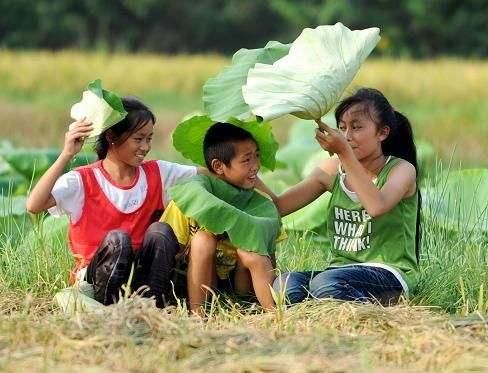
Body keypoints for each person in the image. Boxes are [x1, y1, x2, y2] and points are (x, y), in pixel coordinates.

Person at [26, 96, 200, 308]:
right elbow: (34, 206)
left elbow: (208, 174)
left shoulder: (159, 172)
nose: (145, 147)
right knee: (118, 241)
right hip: (98, 280)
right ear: (111, 136)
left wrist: (244, 172)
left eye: (149, 139)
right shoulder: (82, 180)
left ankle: (152, 306)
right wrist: (66, 154)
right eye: (138, 139)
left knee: (161, 232)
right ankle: (110, 310)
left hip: (140, 280)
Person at [271, 88, 420, 305]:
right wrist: (247, 174)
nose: (348, 136)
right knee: (286, 284)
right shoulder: (333, 169)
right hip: (340, 271)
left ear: (382, 133)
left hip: (387, 272)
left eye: (357, 127)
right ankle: (327, 311)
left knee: (324, 284)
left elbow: (376, 206)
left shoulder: (401, 170)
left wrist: (344, 153)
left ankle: (384, 304)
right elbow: (279, 206)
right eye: (342, 128)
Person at [160, 120, 283, 314]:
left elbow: (270, 258)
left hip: (241, 287)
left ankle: (273, 315)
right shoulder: (191, 197)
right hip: (199, 284)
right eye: (246, 160)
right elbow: (173, 253)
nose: (255, 166)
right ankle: (198, 315)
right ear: (218, 166)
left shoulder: (262, 205)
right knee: (202, 239)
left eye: (256, 157)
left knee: (251, 252)